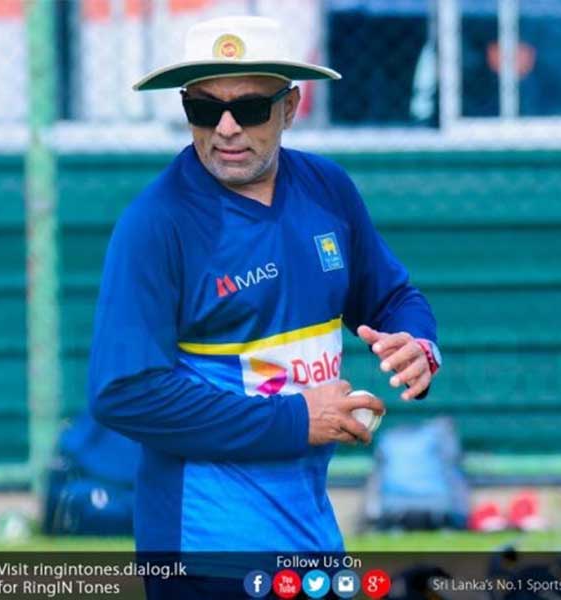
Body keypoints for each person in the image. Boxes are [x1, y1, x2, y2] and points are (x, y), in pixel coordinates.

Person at [87, 14, 441, 597]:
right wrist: (297, 420)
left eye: (249, 108)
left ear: (289, 107)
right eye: (205, 109)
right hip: (207, 550)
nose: (226, 128)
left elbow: (392, 296)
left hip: (312, 538)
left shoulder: (327, 189)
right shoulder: (156, 224)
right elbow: (123, 392)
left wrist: (418, 344)